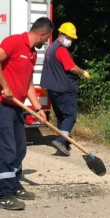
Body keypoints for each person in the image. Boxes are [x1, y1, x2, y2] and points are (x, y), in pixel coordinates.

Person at [0, 17, 53, 210]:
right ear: (42, 34)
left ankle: (14, 185)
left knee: (20, 148)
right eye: (47, 38)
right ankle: (5, 194)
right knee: (6, 148)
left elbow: (29, 84)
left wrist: (38, 108)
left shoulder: (31, 54)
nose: (46, 42)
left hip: (16, 106)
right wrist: (5, 86)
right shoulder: (14, 42)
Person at [40, 22, 90, 156]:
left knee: (62, 116)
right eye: (69, 37)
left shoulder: (51, 48)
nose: (70, 40)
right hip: (63, 88)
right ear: (61, 35)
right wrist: (83, 72)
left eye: (72, 38)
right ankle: (61, 140)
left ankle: (65, 144)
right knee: (70, 115)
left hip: (52, 88)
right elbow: (71, 67)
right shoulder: (61, 50)